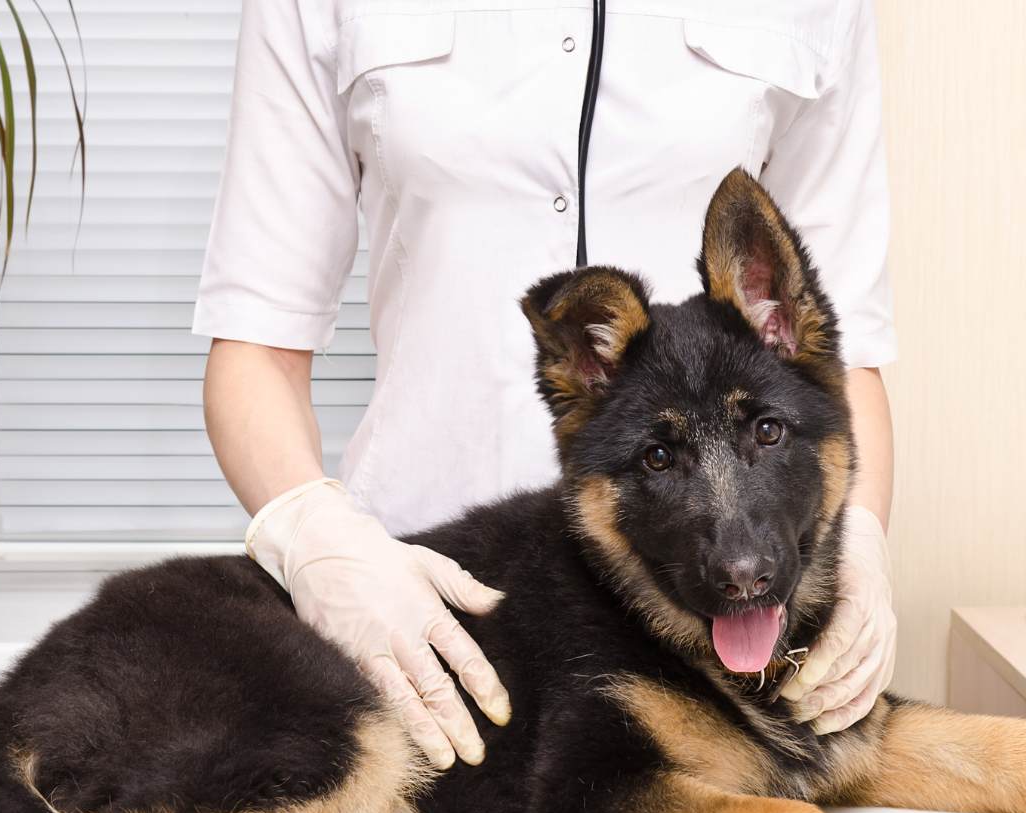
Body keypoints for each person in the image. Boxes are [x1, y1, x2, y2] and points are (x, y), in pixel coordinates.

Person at [193, 0, 898, 770]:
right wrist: (319, 540)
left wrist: (860, 541)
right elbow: (256, 343)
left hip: (710, 626)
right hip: (421, 605)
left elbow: (835, 350)